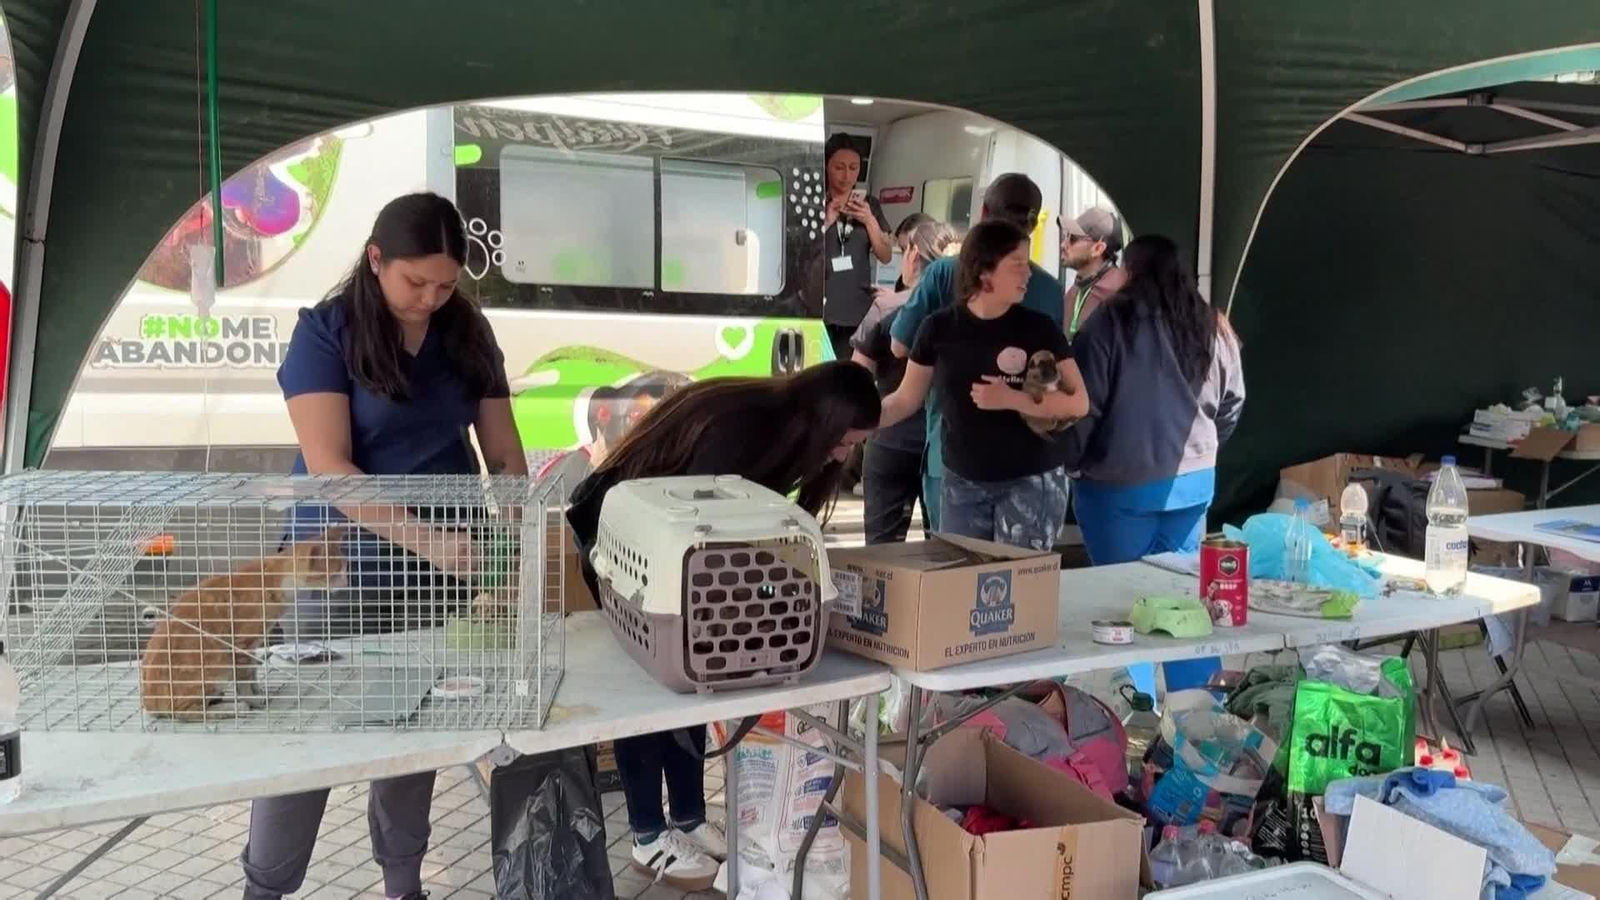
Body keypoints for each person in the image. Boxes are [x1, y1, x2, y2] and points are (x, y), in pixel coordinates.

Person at [241, 192, 526, 900]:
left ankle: (405, 883)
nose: (430, 299)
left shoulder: (467, 333)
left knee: (414, 735)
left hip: (442, 576)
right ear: (375, 260)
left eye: (446, 285)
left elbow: (504, 458)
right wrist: (430, 542)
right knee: (309, 737)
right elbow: (330, 467)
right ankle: (265, 886)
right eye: (414, 281)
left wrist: (519, 544)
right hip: (334, 570)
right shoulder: (325, 333)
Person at [565, 362, 879, 891]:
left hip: (681, 561)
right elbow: (697, 534)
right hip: (626, 549)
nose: (844, 455)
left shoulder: (782, 432)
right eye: (845, 441)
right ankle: (647, 835)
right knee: (650, 691)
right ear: (823, 419)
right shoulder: (744, 428)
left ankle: (688, 817)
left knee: (698, 678)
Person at [878, 220, 1088, 550]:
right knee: (961, 576)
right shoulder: (938, 328)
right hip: (962, 481)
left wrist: (1012, 399)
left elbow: (1079, 403)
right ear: (984, 271)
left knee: (1019, 579)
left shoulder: (1039, 328)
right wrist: (860, 421)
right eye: (1017, 264)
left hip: (1031, 480)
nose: (1028, 274)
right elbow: (905, 399)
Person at [1065, 234, 1245, 564]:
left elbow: (1084, 405)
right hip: (1194, 483)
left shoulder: (1108, 323)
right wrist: (1200, 448)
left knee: (1120, 590)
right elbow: (1232, 402)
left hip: (1117, 484)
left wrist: (1073, 462)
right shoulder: (1212, 324)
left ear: (1130, 272)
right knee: (1178, 587)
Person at [851, 218, 957, 544]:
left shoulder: (886, 306)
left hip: (890, 441)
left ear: (912, 255)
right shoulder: (965, 310)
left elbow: (856, 377)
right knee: (942, 548)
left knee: (881, 550)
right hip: (943, 447)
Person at [822, 133, 892, 362]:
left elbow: (886, 255)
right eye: (839, 167)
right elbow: (800, 252)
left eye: (853, 168)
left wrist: (869, 220)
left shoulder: (870, 205)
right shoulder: (815, 201)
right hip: (821, 307)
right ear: (826, 166)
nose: (847, 176)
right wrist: (827, 221)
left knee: (849, 375)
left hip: (857, 308)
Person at [1059, 205, 1127, 339]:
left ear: (1098, 248)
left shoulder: (1117, 295)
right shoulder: (1076, 289)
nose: (1063, 244)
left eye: (1073, 239)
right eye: (1065, 235)